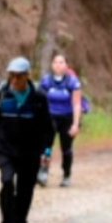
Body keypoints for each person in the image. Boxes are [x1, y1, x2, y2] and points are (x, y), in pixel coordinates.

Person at [0, 57, 55, 223]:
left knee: (26, 187)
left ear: (27, 76)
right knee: (7, 181)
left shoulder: (38, 97)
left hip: (30, 151)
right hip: (5, 148)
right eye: (12, 76)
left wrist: (47, 151)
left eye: (19, 76)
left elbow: (48, 127)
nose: (14, 80)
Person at [39, 53, 83, 187]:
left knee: (66, 148)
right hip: (50, 118)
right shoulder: (46, 80)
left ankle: (66, 174)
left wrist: (75, 124)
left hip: (66, 118)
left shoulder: (72, 82)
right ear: (52, 65)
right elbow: (40, 101)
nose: (58, 65)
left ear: (66, 65)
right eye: (55, 62)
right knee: (47, 148)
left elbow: (77, 104)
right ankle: (43, 171)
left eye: (61, 62)